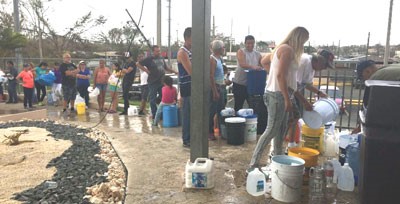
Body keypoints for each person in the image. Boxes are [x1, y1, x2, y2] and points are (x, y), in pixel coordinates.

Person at [249, 26, 309, 171]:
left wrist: (273, 74)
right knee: (271, 130)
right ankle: (253, 163)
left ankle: (277, 158)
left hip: (279, 93)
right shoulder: (287, 50)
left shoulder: (280, 48)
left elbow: (264, 62)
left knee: (280, 130)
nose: (303, 44)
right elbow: (281, 76)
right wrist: (287, 98)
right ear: (299, 38)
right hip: (278, 95)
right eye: (303, 41)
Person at [286, 49, 334, 146]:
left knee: (294, 118)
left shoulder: (312, 66)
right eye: (325, 65)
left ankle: (291, 143)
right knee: (291, 118)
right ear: (319, 60)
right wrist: (305, 102)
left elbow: (306, 84)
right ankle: (288, 143)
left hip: (293, 92)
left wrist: (319, 92)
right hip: (286, 91)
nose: (324, 68)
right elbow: (293, 86)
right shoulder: (304, 62)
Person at [351, 60, 400, 133]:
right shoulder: (386, 69)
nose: (364, 80)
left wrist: (360, 127)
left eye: (362, 77)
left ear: (368, 71)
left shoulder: (375, 78)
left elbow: (367, 104)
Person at [137, 45, 178, 119]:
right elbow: (138, 64)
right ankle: (155, 114)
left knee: (163, 97)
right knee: (152, 99)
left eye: (159, 51)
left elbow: (166, 68)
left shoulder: (161, 58)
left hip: (162, 81)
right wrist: (146, 70)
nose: (159, 52)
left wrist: (175, 72)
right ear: (153, 52)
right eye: (157, 51)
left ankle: (162, 113)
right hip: (153, 82)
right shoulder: (149, 59)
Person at [232, 35, 262, 111]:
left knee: (253, 106)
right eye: (248, 43)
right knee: (238, 106)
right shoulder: (241, 51)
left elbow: (262, 64)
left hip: (252, 84)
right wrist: (254, 67)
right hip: (240, 83)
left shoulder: (258, 54)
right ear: (245, 43)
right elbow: (242, 64)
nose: (250, 45)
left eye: (252, 43)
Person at [177, 27, 192, 147]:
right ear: (188, 38)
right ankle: (186, 139)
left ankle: (191, 136)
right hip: (187, 86)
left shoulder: (191, 51)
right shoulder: (182, 53)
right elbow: (191, 70)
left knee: (193, 113)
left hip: (193, 86)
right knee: (187, 113)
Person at [208, 40, 226, 140]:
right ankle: (210, 131)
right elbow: (211, 76)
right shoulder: (213, 59)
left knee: (220, 110)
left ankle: (221, 130)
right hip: (216, 87)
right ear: (219, 49)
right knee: (212, 111)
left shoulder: (220, 59)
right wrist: (214, 91)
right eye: (223, 47)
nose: (224, 49)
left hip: (221, 86)